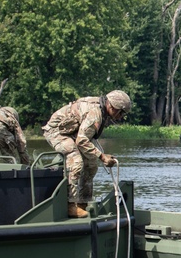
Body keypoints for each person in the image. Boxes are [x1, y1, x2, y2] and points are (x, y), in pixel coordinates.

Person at [42, 90, 130, 218]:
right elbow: (82, 140)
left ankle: (82, 203)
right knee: (76, 161)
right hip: (56, 132)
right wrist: (102, 156)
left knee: (91, 164)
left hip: (73, 132)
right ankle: (70, 205)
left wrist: (100, 155)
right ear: (112, 106)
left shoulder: (102, 111)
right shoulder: (95, 113)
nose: (121, 116)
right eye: (121, 112)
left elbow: (87, 137)